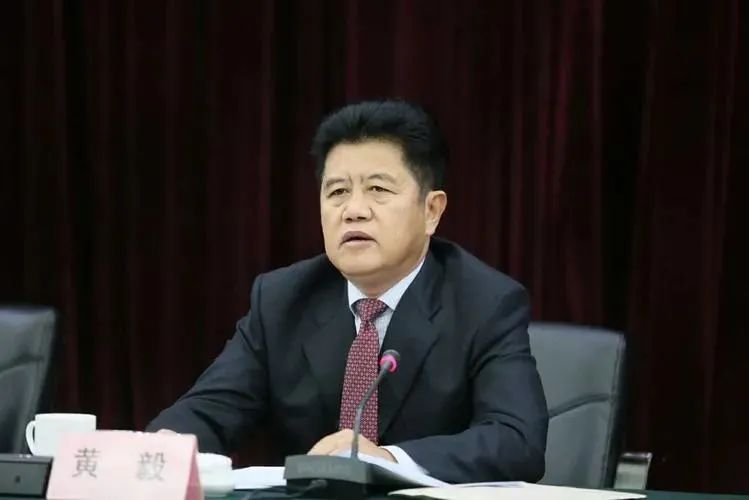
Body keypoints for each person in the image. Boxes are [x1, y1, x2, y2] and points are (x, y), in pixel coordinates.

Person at [146, 99, 548, 483]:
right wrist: (164, 447)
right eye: (337, 192)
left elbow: (517, 441)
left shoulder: (484, 302)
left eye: (378, 190)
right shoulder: (283, 299)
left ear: (431, 211)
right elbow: (210, 410)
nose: (354, 210)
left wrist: (388, 460)